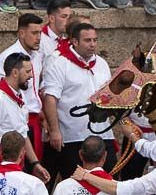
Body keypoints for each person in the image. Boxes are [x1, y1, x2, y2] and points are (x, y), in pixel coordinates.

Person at [42, 22, 113, 181]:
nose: (92, 44)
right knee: (76, 184)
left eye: (95, 40)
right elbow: (50, 98)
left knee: (108, 181)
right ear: (74, 42)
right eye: (88, 41)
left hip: (103, 134)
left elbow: (110, 96)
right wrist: (54, 131)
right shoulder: (60, 63)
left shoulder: (102, 64)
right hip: (73, 137)